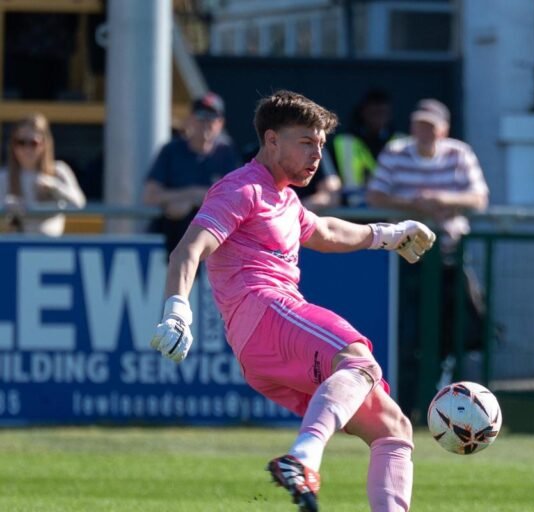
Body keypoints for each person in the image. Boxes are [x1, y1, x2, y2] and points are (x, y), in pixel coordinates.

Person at [149, 90, 435, 511]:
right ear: (271, 140)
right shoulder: (241, 188)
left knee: (393, 428)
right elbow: (188, 250)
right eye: (306, 142)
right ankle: (303, 458)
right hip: (266, 312)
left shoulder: (283, 197)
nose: (316, 154)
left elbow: (328, 232)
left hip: (259, 347)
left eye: (320, 144)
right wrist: (177, 308)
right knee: (359, 359)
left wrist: (390, 234)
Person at [366, 98, 489, 414]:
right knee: (409, 336)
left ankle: (460, 407)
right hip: (408, 259)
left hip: (451, 257)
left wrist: (443, 199)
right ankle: (406, 407)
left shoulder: (459, 153)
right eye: (419, 124)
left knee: (461, 334)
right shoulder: (395, 153)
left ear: (444, 129)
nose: (423, 131)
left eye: (430, 126)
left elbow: (478, 198)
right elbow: (375, 195)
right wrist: (415, 207)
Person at [143, 92, 240, 256]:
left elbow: (237, 198)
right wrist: (183, 199)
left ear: (221, 123)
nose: (206, 123)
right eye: (201, 116)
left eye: (212, 117)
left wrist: (195, 198)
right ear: (189, 120)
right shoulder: (171, 151)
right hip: (171, 241)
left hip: (215, 240)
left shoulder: (226, 153)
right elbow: (150, 195)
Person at [0, 113, 86, 235]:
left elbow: (79, 205)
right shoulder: (4, 176)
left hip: (50, 248)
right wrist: (5, 207)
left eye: (33, 143)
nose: (27, 149)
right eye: (21, 142)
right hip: (17, 248)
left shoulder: (58, 171)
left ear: (44, 144)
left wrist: (55, 187)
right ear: (13, 146)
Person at [331, 89, 400, 207]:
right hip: (352, 209)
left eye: (382, 113)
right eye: (374, 113)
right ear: (363, 112)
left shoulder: (400, 142)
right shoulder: (344, 141)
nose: (378, 118)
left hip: (391, 208)